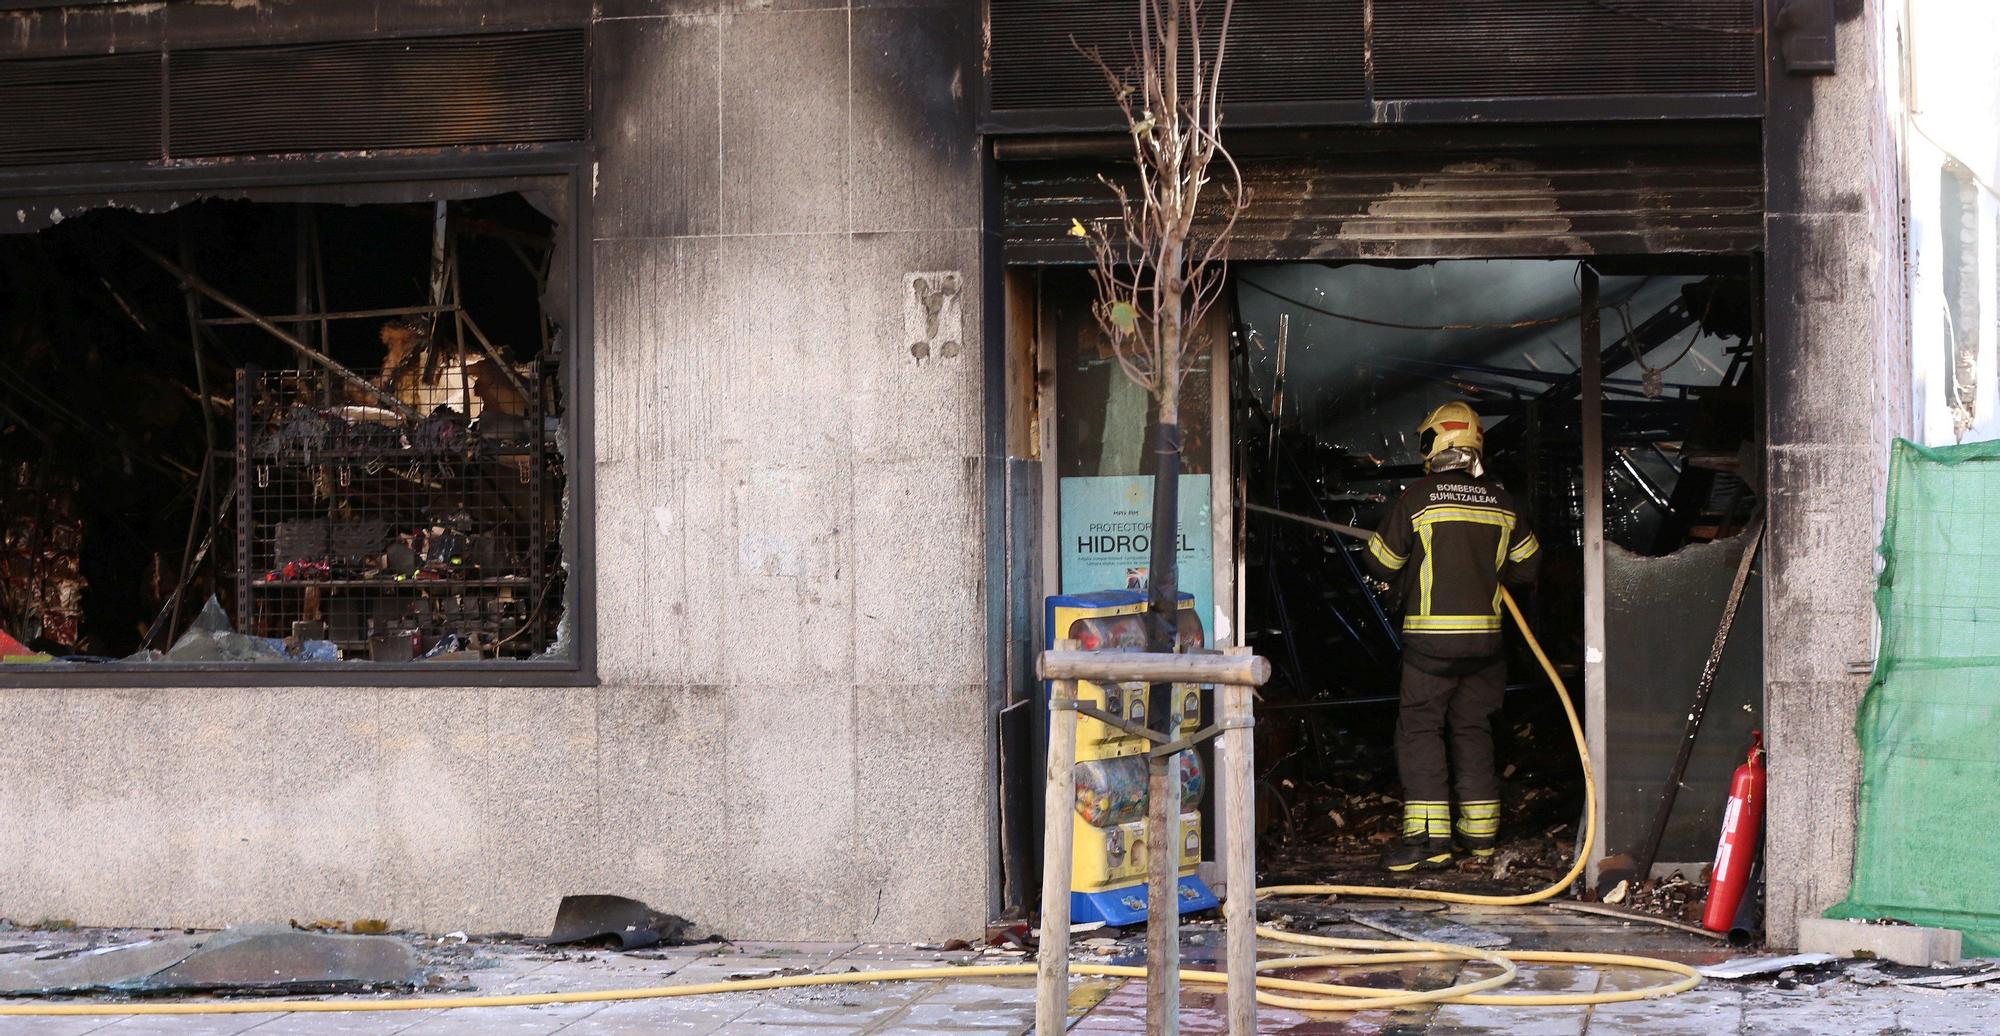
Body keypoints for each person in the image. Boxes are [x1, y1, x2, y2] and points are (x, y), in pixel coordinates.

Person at [1362, 401, 1541, 872]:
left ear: (1437, 443)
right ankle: (1480, 838)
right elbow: (1527, 568)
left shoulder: (1419, 497)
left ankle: (1427, 840)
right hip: (1486, 645)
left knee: (1420, 728)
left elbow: (1381, 563)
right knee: (1473, 729)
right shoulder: (1502, 501)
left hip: (1431, 647)